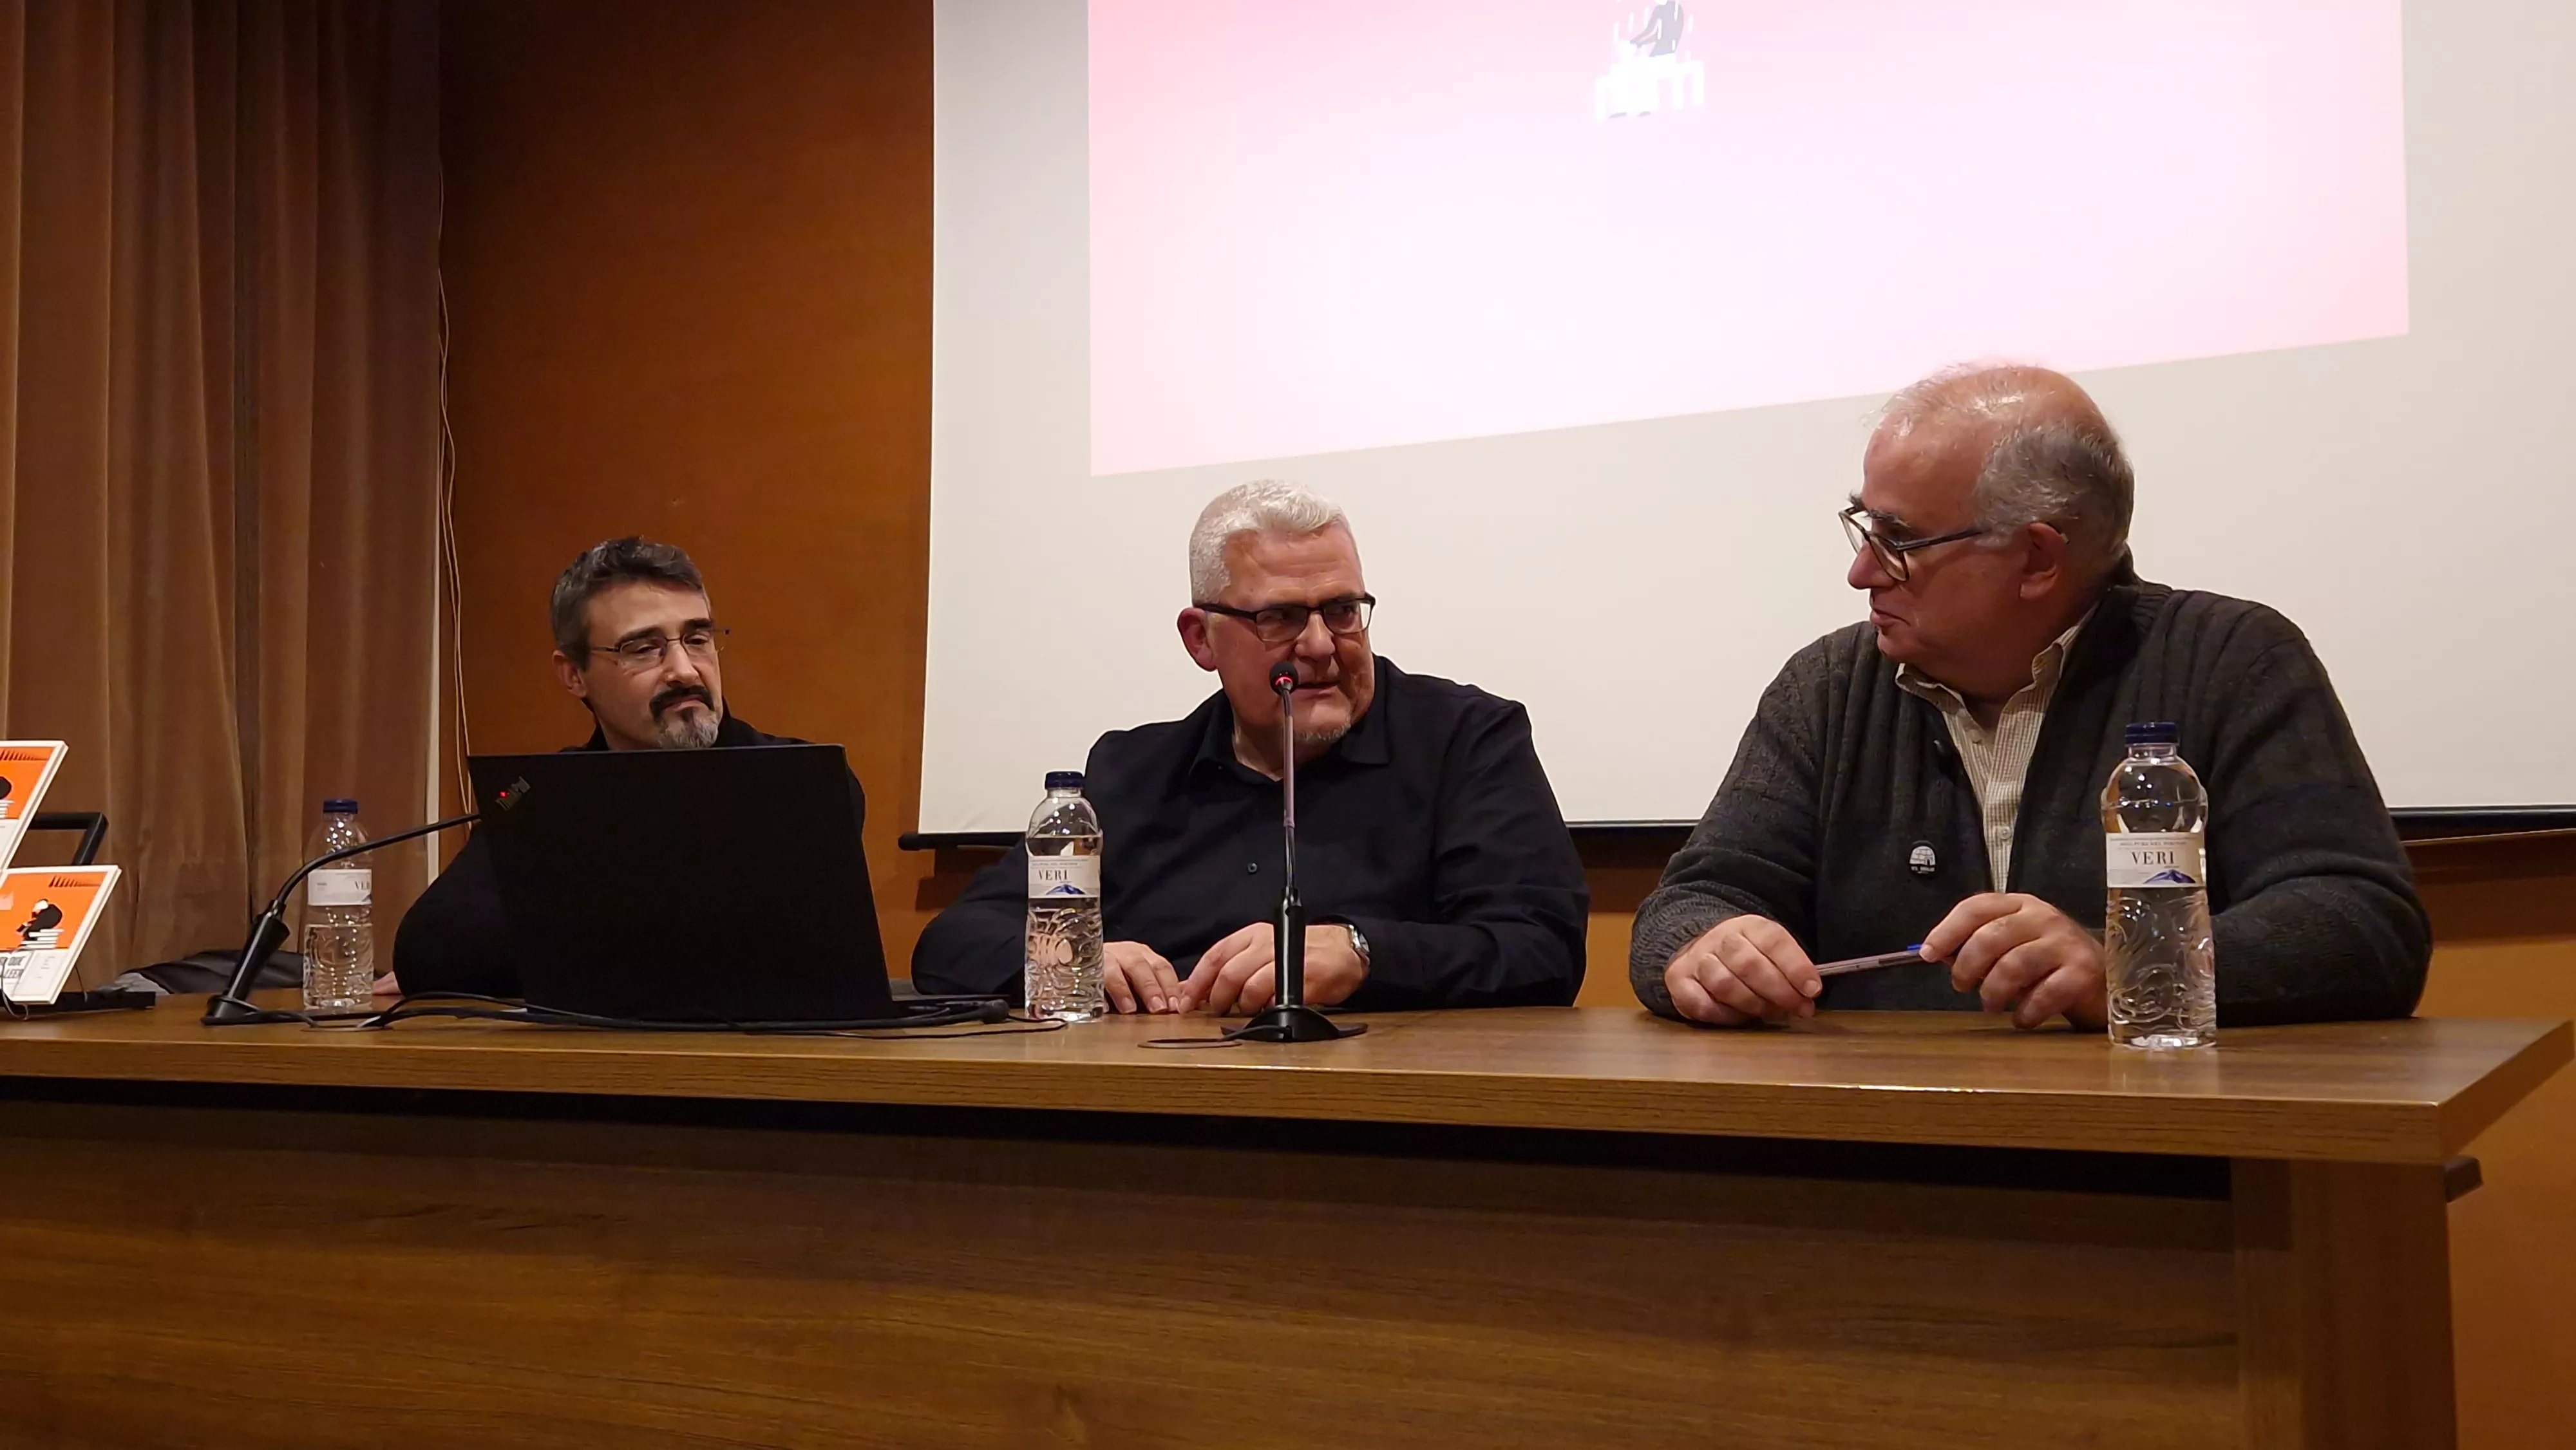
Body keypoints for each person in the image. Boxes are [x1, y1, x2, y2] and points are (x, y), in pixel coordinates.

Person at [1633, 364, 2429, 1030]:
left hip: (2162, 1157)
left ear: (2037, 558)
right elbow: (1696, 899)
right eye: (1862, 528)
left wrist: (2126, 965)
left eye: (1899, 540)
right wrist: (1707, 945)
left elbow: (2361, 924)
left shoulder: (2231, 658)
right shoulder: (1830, 687)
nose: (1861, 572)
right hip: (1877, 1147)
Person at [913, 480, 1588, 1013]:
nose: (1322, 644)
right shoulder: (1132, 771)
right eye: (1281, 617)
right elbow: (955, 939)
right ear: (1200, 639)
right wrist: (1068, 955)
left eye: (1343, 610)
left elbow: (1543, 949)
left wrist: (1364, 952)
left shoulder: (1466, 739)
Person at [391, 536, 883, 997]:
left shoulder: (799, 783)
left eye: (697, 639)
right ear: (573, 675)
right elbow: (433, 951)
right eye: (643, 648)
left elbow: (779, 954)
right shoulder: (545, 794)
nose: (685, 671)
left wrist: (556, 934)